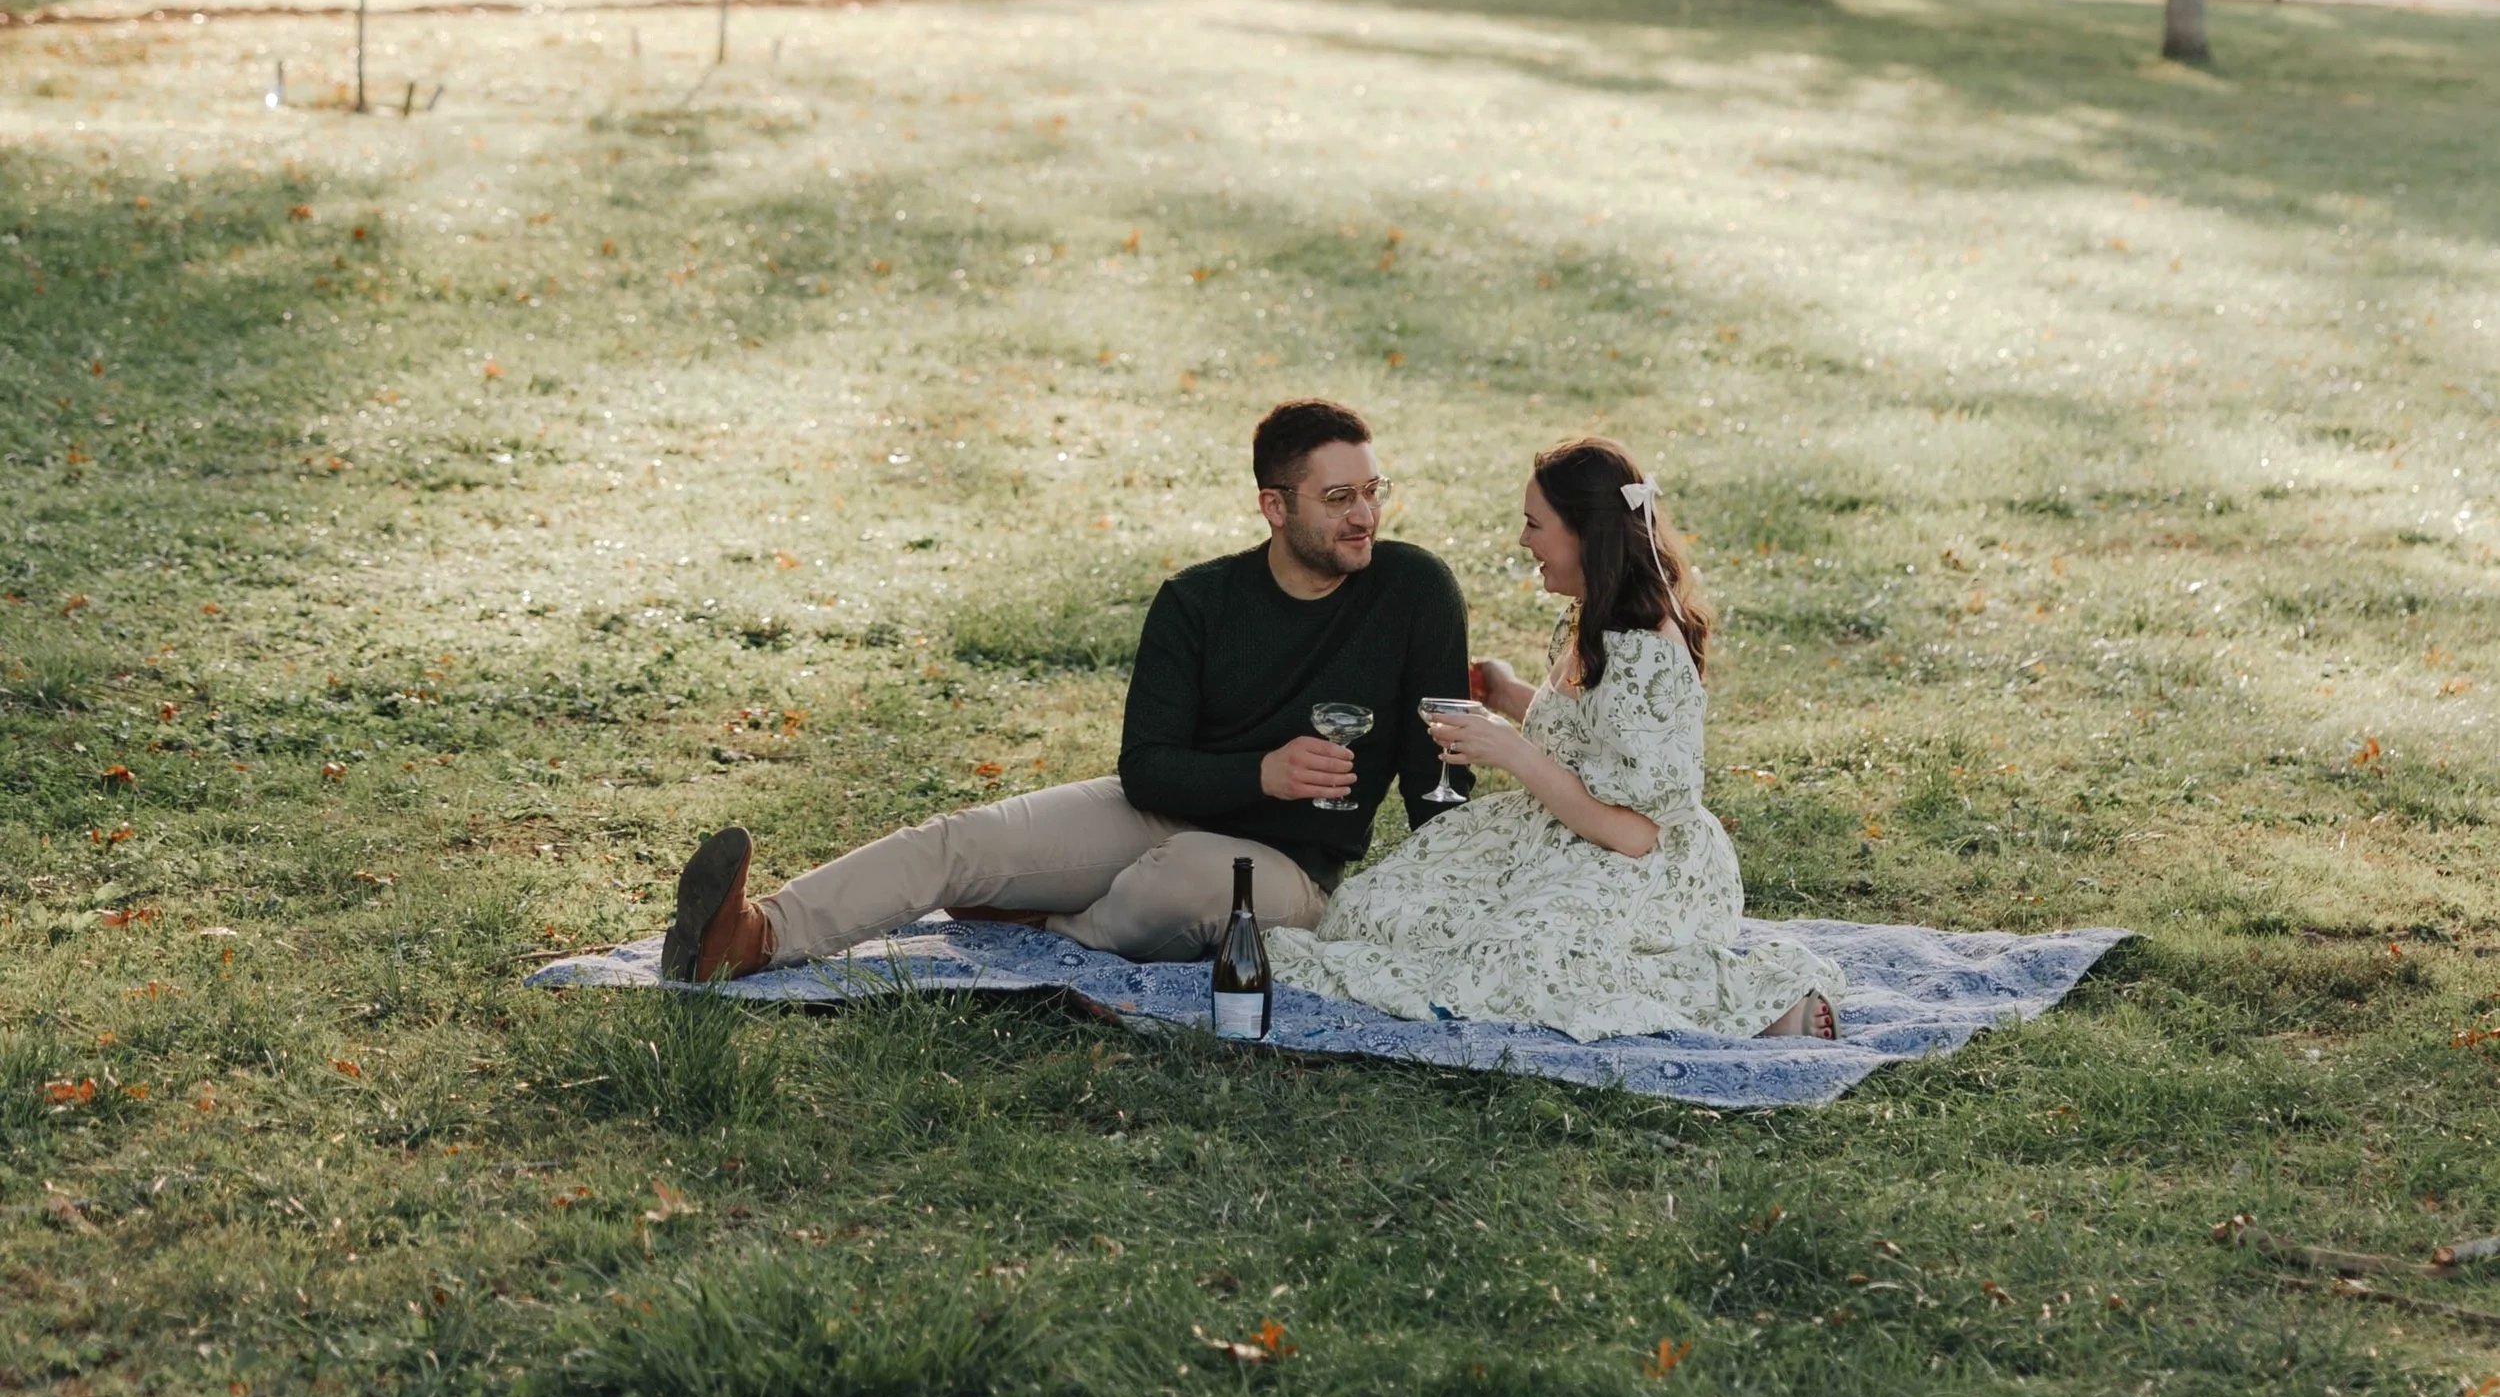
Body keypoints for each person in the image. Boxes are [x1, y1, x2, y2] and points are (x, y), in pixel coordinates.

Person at [661, 397, 1471, 981]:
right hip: (1165, 809)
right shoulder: (1198, 601)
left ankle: (1053, 921)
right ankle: (756, 934)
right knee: (962, 842)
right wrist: (1262, 771)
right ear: (1273, 504)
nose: (1364, 515)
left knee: (1183, 876)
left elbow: (1437, 773)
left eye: (1373, 491)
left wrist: (1443, 905)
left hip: (1292, 865)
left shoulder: (1414, 589)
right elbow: (1147, 767)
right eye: (1339, 498)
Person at [1267, 435, 1843, 1044]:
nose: (1524, 541)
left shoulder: (1649, 652)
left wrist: (1510, 752)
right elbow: (1591, 729)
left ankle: (1763, 1000)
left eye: (1534, 525)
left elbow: (1635, 832)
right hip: (1554, 835)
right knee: (1371, 911)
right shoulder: (1594, 611)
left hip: (1643, 869)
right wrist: (1506, 693)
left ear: (1583, 537)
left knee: (1521, 958)